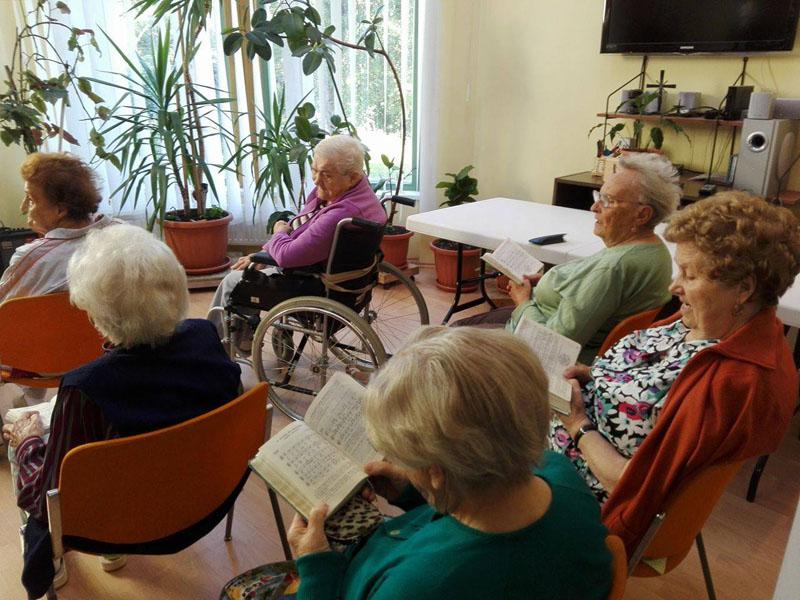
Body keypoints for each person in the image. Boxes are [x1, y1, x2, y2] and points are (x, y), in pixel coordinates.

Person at [551, 191, 800, 554]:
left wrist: (577, 423)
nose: (673, 286)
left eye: (690, 274)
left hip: (581, 494)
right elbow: (648, 381)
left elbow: (634, 487)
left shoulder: (730, 383)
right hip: (559, 438)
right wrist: (596, 377)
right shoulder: (707, 321)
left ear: (743, 290)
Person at [2, 225, 242, 598]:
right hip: (207, 501)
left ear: (97, 312)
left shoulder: (85, 387)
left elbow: (46, 498)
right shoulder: (204, 337)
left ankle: (59, 561)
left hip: (120, 525)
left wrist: (28, 442)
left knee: (22, 436)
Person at [284, 327, 612, 599]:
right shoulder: (559, 473)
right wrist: (416, 491)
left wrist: (316, 570)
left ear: (437, 471)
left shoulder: (419, 586)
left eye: (403, 458)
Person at [456, 152, 679, 364]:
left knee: (451, 338)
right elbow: (593, 295)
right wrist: (548, 282)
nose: (594, 207)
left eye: (608, 201)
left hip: (536, 353)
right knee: (466, 325)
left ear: (642, 215)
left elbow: (554, 343)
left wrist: (522, 302)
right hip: (549, 319)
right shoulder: (654, 250)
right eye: (598, 196)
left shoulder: (614, 267)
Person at [208, 135, 386, 341]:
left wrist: (278, 233)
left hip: (312, 283)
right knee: (252, 266)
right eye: (314, 170)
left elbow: (287, 255)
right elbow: (302, 227)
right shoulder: (359, 194)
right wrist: (264, 252)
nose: (316, 180)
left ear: (353, 177)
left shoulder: (340, 213)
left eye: (326, 174)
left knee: (232, 282)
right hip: (341, 281)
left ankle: (217, 346)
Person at [0, 152, 116, 302]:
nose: (23, 207)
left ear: (60, 210)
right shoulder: (127, 234)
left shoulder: (34, 259)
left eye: (31, 199)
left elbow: (4, 308)